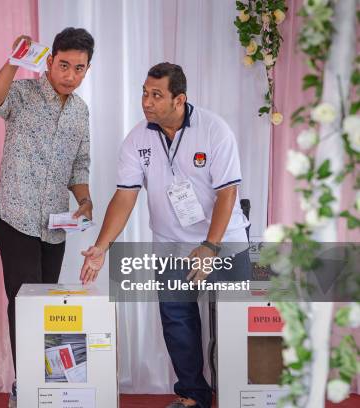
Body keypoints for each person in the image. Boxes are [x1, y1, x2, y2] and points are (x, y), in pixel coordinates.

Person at [80, 63, 251, 408]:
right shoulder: (138, 139)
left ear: (179, 99)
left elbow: (227, 194)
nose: (146, 101)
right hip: (170, 246)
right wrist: (102, 247)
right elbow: (124, 196)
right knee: (177, 322)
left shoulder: (214, 131)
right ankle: (192, 396)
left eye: (156, 94)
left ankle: (238, 396)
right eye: (144, 92)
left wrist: (209, 246)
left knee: (232, 327)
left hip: (224, 243)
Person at [0, 27, 95, 407]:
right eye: (63, 65)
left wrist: (85, 200)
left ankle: (47, 383)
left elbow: (80, 165)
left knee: (47, 303)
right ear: (49, 61)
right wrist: (14, 62)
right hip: (15, 215)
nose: (70, 75)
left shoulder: (81, 111)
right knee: (22, 301)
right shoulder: (24, 93)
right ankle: (24, 385)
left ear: (87, 69)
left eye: (79, 68)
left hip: (55, 224)